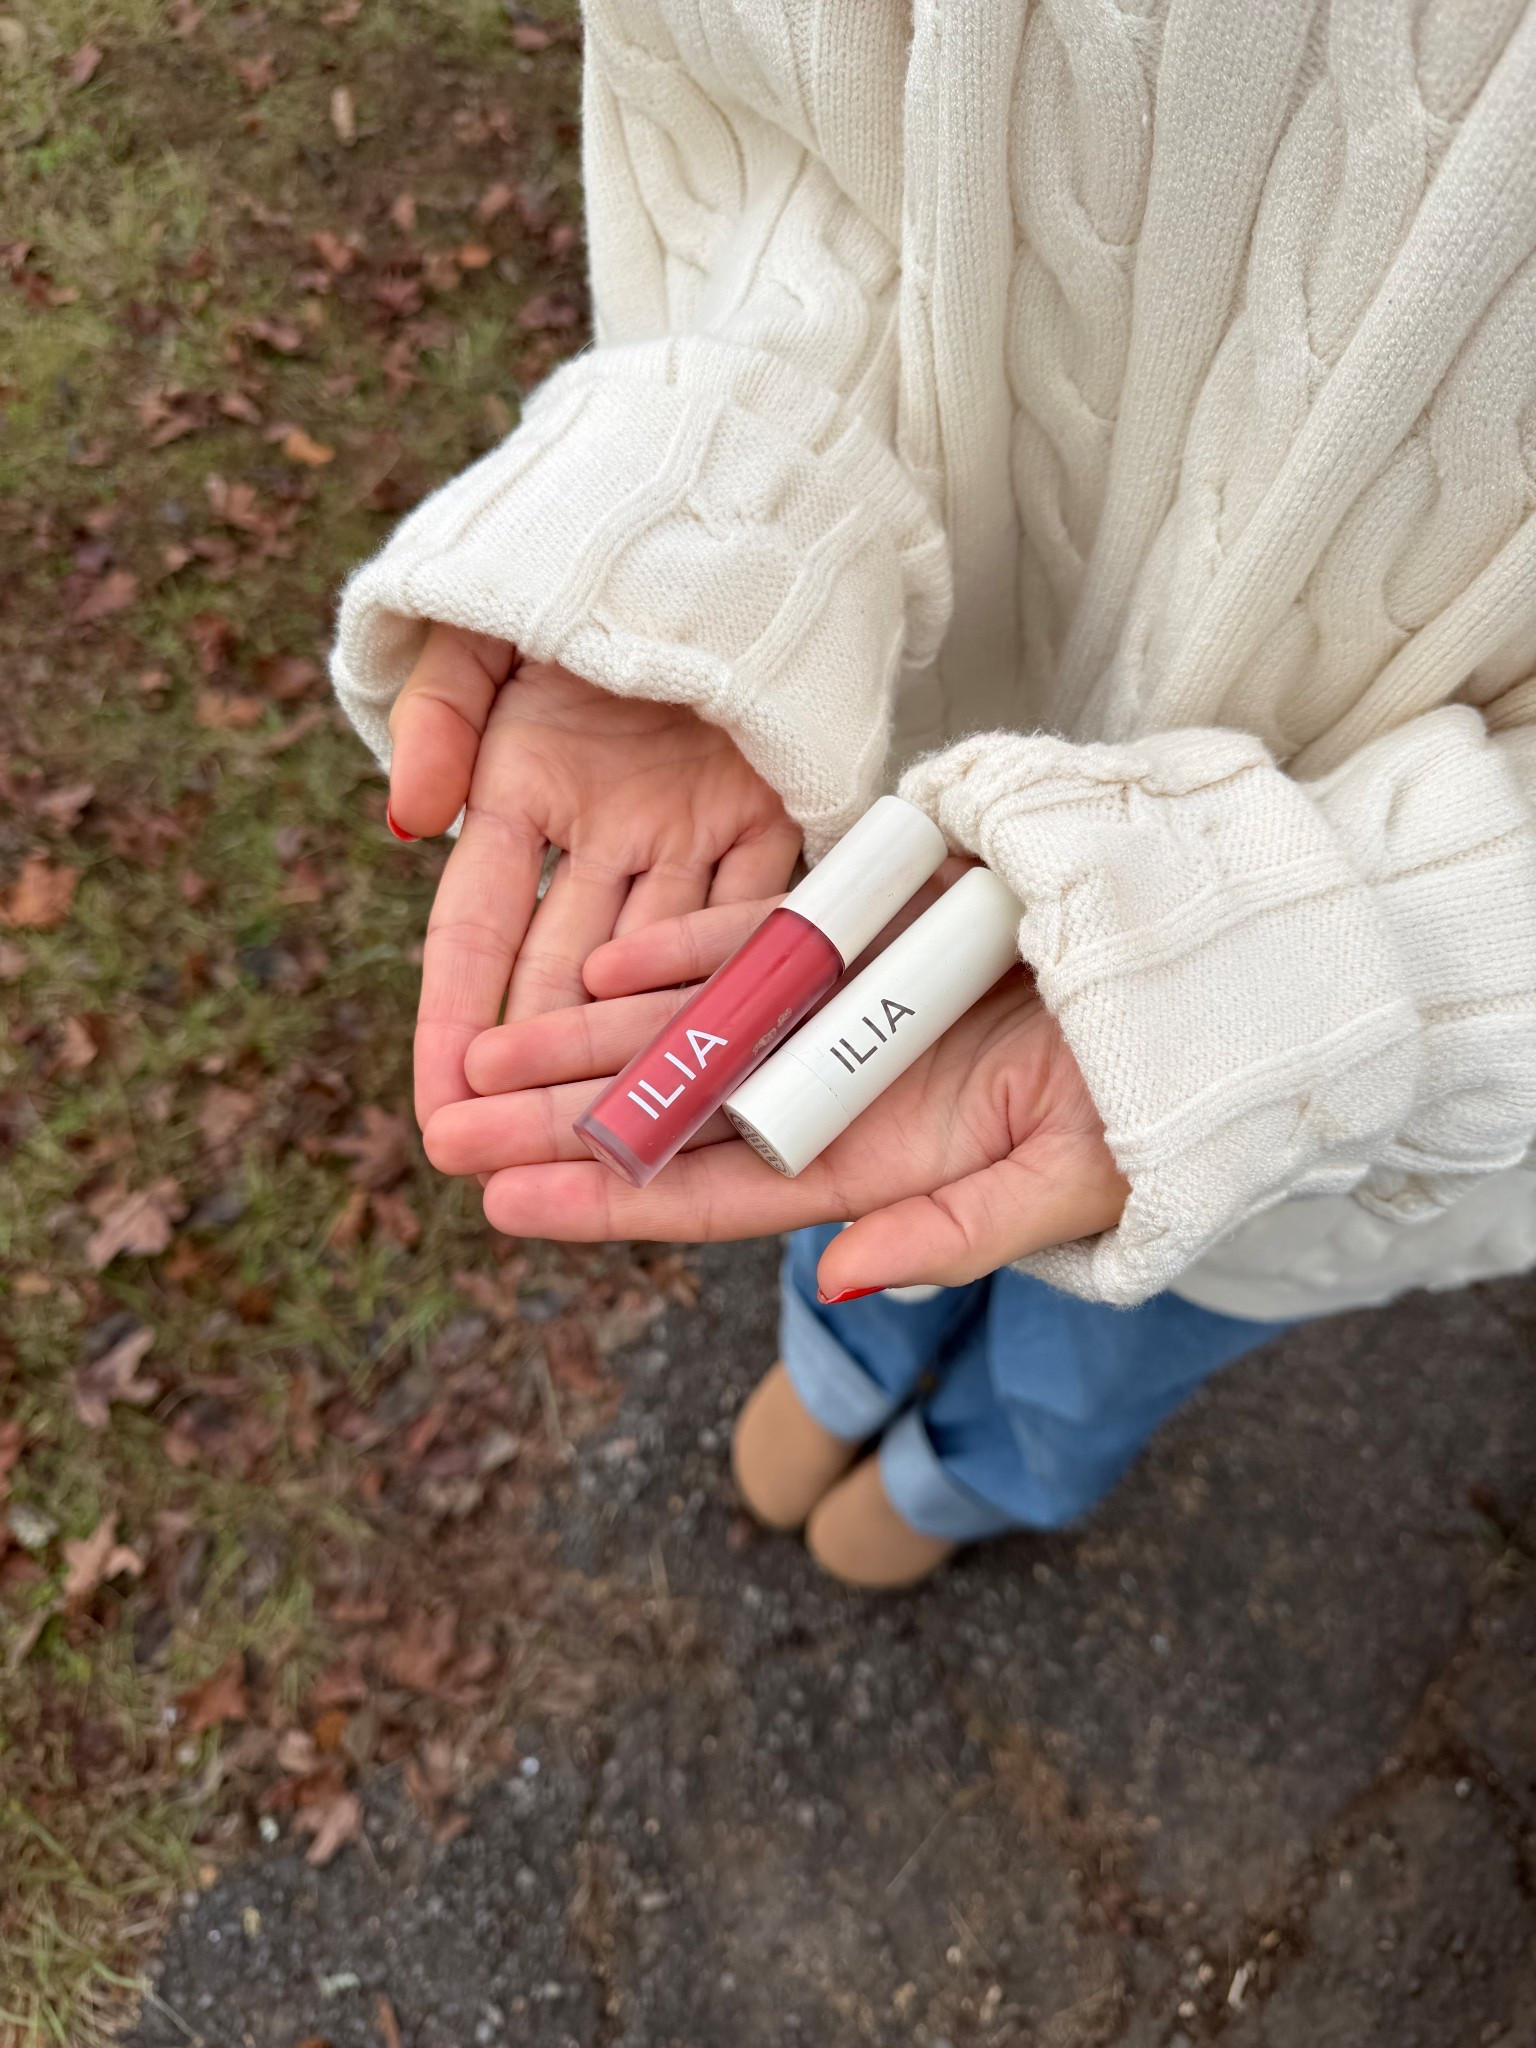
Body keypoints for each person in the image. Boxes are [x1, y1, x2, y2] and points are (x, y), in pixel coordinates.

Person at [332, 1, 1536, 1588]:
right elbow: (754, 104)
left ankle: (981, 1471)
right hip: (902, 802)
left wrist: (1356, 956)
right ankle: (844, 1376)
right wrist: (712, 516)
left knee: (1115, 1332)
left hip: (1325, 1048)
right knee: (846, 1212)